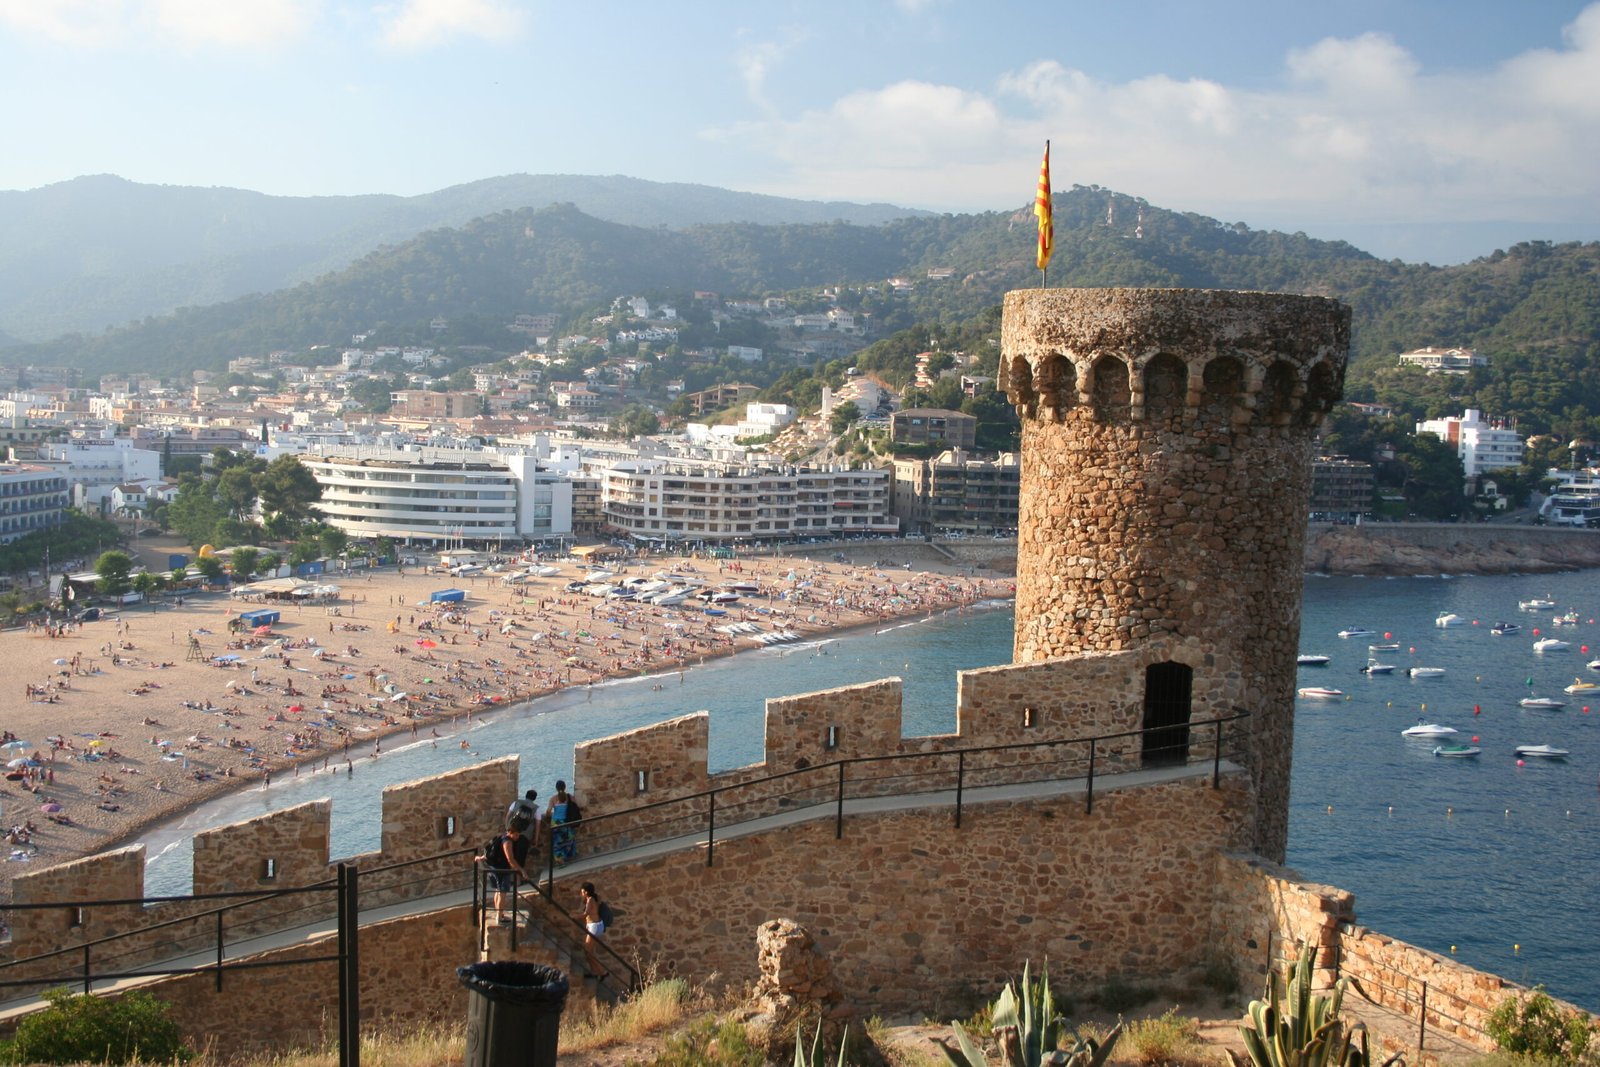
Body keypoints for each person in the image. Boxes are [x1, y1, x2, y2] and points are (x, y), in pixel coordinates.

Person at [478, 824, 530, 925]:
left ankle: (499, 914)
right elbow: (510, 859)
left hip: (495, 868)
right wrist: (521, 870)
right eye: (516, 835)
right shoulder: (507, 842)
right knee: (502, 892)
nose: (517, 837)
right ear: (511, 833)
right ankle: (500, 917)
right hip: (502, 870)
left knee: (498, 891)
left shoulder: (501, 837)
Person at [546, 780, 579, 864]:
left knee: (557, 842)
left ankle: (560, 860)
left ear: (556, 788)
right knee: (570, 839)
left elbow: (548, 812)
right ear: (565, 787)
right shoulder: (570, 797)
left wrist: (552, 815)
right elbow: (576, 808)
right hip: (567, 822)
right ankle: (568, 856)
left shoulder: (553, 799)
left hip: (556, 823)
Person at [579, 881, 607, 980]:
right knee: (588, 952)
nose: (581, 893)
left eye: (582, 891)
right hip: (596, 926)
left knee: (588, 952)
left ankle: (603, 971)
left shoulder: (590, 900)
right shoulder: (593, 898)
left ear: (586, 892)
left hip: (594, 927)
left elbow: (585, 914)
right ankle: (595, 971)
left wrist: (573, 916)